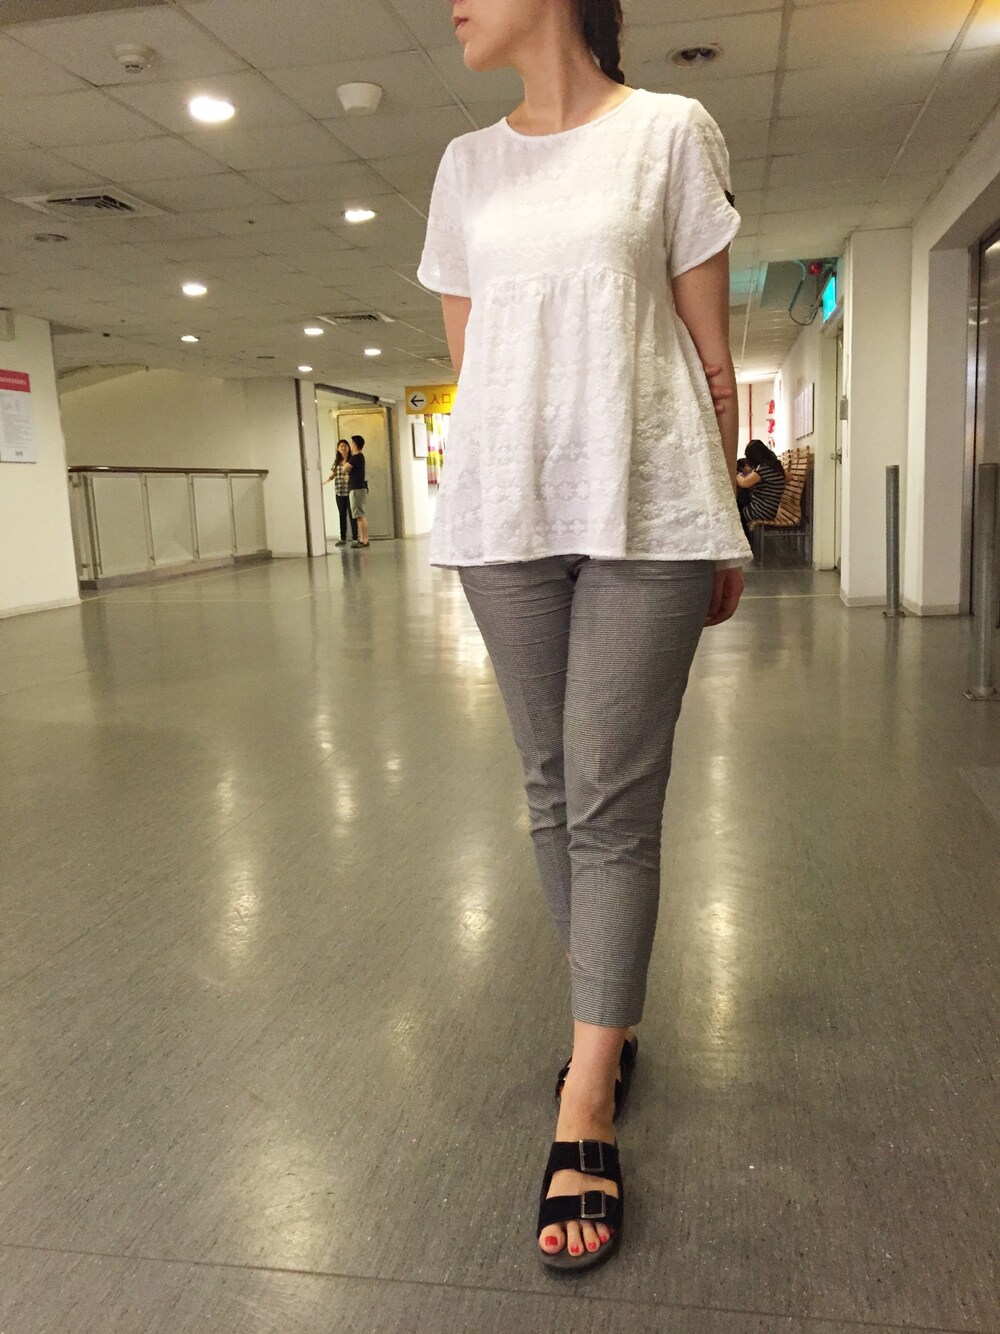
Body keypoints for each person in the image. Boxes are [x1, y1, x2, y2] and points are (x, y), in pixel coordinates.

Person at [418, 0, 748, 1273]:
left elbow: (709, 355)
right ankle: (606, 1019)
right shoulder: (465, 165)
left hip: (645, 506)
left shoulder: (670, 131)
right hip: (505, 515)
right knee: (552, 788)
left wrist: (721, 520)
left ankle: (588, 1092)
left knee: (611, 798)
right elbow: (474, 367)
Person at [736, 438, 786, 544]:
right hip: (769, 509)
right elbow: (789, 477)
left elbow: (744, 483)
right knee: (740, 502)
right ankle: (746, 543)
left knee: (735, 514)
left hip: (761, 509)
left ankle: (746, 544)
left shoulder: (764, 468)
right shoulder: (775, 466)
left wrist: (738, 475)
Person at [323, 439, 358, 547]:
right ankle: (343, 538)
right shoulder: (336, 462)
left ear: (348, 448)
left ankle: (355, 538)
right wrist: (328, 479)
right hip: (339, 491)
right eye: (341, 446)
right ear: (338, 449)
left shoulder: (352, 460)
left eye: (345, 446)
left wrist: (349, 477)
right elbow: (333, 473)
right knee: (342, 515)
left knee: (352, 515)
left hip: (350, 491)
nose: (343, 448)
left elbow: (356, 473)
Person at [345, 435, 369, 548]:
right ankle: (363, 538)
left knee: (359, 515)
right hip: (359, 488)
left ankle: (364, 539)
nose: (350, 445)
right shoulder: (359, 457)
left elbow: (344, 468)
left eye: (351, 443)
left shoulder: (356, 457)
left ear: (354, 444)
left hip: (356, 489)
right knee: (359, 515)